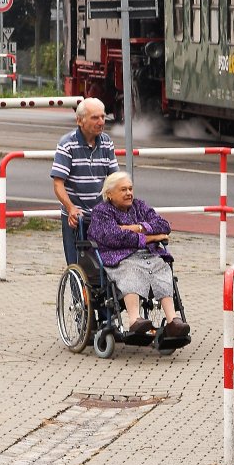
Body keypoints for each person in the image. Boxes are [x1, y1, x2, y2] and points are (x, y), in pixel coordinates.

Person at [87, 171, 191, 338]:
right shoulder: (101, 212)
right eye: (123, 190)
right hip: (119, 257)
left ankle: (173, 321)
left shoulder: (140, 206)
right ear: (109, 194)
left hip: (147, 255)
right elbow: (114, 237)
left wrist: (136, 228)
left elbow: (164, 225)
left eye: (130, 189)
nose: (129, 193)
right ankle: (134, 319)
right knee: (131, 270)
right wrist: (153, 237)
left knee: (162, 267)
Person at [51, 97, 118, 265]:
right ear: (80, 120)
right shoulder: (67, 144)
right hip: (76, 217)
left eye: (103, 117)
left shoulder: (107, 142)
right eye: (95, 117)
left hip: (101, 216)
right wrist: (71, 208)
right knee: (77, 266)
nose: (101, 122)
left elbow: (114, 179)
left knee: (104, 266)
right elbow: (58, 184)